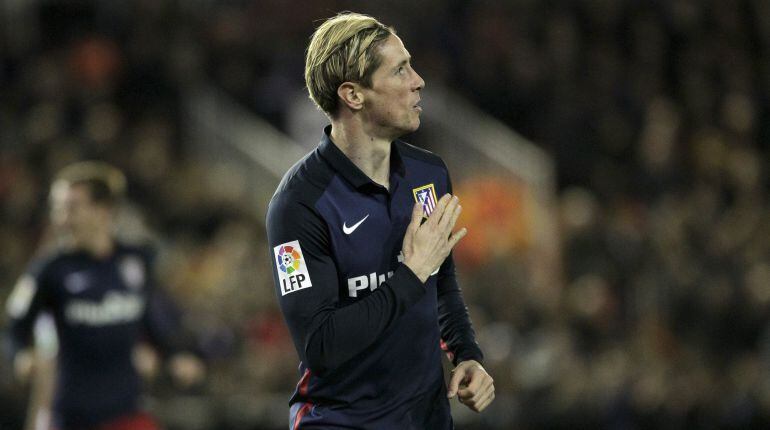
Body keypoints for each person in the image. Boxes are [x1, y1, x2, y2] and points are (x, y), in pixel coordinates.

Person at [266, 12, 494, 429]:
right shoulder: (296, 206)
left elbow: (441, 283)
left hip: (425, 417)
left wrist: (466, 354)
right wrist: (410, 273)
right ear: (354, 95)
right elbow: (320, 344)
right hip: (341, 421)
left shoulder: (430, 175)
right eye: (400, 69)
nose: (418, 81)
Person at [5, 161, 203, 430]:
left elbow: (149, 320)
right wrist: (21, 356)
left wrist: (175, 355)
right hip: (72, 416)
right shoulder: (51, 269)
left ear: (103, 211)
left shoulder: (136, 260)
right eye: (58, 207)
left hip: (126, 409)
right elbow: (14, 328)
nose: (61, 217)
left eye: (71, 208)